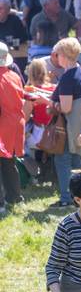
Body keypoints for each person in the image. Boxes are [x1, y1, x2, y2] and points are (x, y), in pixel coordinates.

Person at [48, 38, 81, 207]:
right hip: (77, 124)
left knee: (62, 159)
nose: (56, 57)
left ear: (64, 55)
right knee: (75, 159)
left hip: (69, 125)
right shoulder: (78, 70)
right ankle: (80, 196)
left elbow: (65, 108)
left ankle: (67, 199)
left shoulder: (67, 77)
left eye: (57, 54)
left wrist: (48, 103)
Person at [0, 43, 23, 209]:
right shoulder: (14, 76)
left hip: (2, 125)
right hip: (14, 126)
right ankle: (15, 197)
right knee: (9, 162)